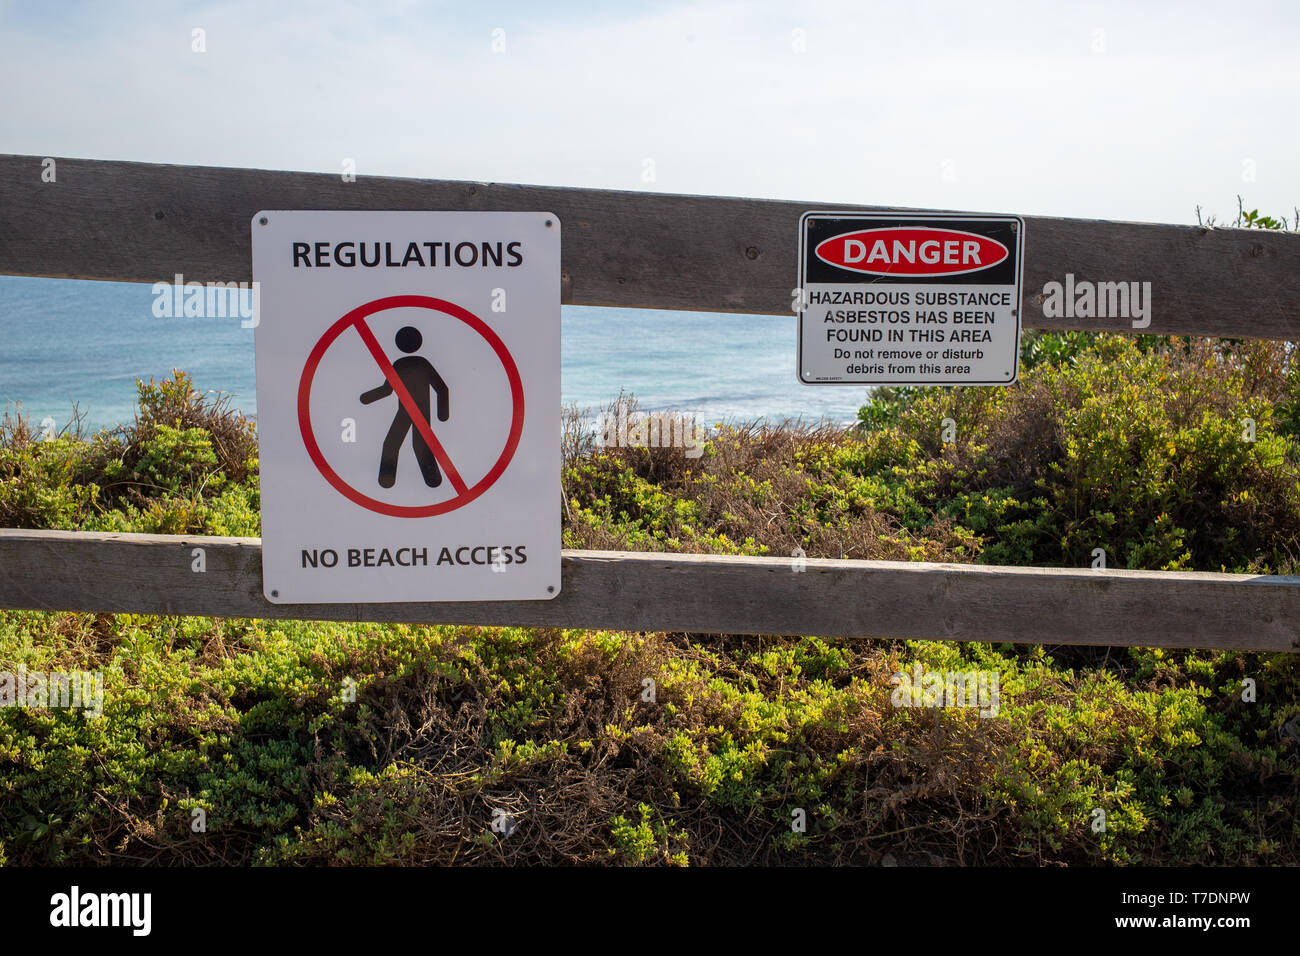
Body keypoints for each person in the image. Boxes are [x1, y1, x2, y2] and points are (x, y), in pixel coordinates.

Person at [359, 326, 449, 488]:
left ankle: (432, 480)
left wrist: (443, 413)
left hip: (418, 412)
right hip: (407, 411)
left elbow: (441, 388)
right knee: (396, 444)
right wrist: (442, 414)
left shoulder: (410, 364)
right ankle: (389, 479)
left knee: (414, 445)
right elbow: (442, 389)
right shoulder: (406, 364)